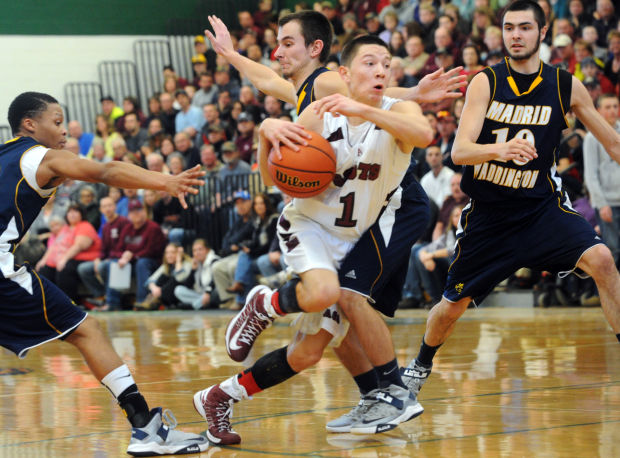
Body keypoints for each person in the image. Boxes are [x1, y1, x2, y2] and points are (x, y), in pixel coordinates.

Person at [204, 9, 462, 434]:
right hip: (323, 218)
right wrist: (236, 64)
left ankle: (227, 389)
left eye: (287, 43)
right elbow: (268, 84)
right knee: (340, 304)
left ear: (317, 50)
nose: (277, 51)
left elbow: (374, 93)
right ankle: (383, 392)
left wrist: (412, 91)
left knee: (328, 326)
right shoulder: (309, 95)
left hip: (386, 206)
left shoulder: (332, 86)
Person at [400, 0, 620, 407]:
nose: (515, 35)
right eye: (508, 28)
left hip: (541, 209)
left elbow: (611, 141)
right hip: (490, 216)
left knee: (603, 261)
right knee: (450, 308)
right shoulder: (486, 81)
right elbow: (460, 152)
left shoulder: (565, 84)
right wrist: (500, 150)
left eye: (524, 27)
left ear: (542, 32)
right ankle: (418, 365)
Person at [2, 91, 207, 455]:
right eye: (58, 121)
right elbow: (105, 171)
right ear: (30, 125)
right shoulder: (40, 157)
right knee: (86, 330)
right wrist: (165, 181)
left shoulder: (5, 155)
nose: (64, 132)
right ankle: (145, 429)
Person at [583, 93, 620, 266]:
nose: (612, 111)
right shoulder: (592, 138)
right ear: (598, 110)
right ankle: (609, 293)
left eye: (615, 106)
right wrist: (602, 203)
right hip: (608, 203)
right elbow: (591, 175)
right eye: (608, 107)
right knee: (612, 250)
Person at [138, 243, 194, 311]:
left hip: (183, 295)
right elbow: (150, 280)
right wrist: (154, 289)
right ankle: (153, 301)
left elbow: (179, 278)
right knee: (163, 277)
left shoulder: (187, 263)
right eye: (167, 253)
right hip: (166, 295)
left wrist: (179, 260)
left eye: (173, 252)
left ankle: (155, 302)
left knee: (173, 280)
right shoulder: (167, 266)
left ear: (179, 253)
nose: (169, 256)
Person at [173, 239, 221, 310]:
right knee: (178, 290)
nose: (197, 253)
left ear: (207, 250)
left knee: (216, 292)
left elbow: (215, 281)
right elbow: (188, 285)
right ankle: (201, 303)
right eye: (194, 250)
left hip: (212, 293)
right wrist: (193, 270)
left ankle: (193, 306)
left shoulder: (215, 261)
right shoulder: (196, 263)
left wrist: (208, 293)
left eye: (200, 249)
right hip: (201, 295)